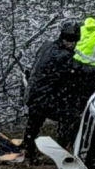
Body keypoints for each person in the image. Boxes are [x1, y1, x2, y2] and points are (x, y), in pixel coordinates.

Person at [22, 22, 82, 160]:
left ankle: (28, 147)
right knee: (72, 116)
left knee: (34, 123)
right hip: (44, 99)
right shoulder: (64, 56)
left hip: (32, 93)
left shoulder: (47, 46)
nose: (73, 45)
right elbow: (79, 71)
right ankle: (63, 148)